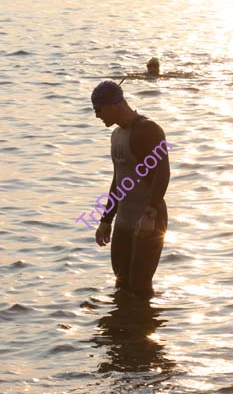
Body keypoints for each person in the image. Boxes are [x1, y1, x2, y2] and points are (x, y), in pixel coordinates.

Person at [91, 80, 170, 299]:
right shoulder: (116, 135)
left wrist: (150, 214)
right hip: (124, 219)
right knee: (121, 284)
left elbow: (162, 174)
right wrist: (106, 219)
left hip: (148, 218)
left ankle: (145, 327)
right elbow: (119, 180)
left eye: (99, 109)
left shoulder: (148, 130)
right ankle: (121, 331)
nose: (97, 115)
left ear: (114, 104)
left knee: (140, 285)